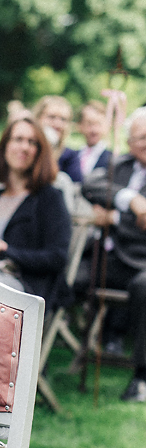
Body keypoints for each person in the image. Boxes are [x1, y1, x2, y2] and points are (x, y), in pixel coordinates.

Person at [0, 116, 71, 311]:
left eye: (32, 142)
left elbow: (57, 257)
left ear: (39, 152)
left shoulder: (49, 199)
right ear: (5, 146)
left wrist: (4, 249)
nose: (24, 147)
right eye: (18, 139)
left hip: (23, 289)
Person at [80, 106, 146, 402]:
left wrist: (116, 218)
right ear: (130, 143)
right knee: (66, 277)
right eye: (140, 138)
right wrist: (131, 201)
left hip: (142, 263)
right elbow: (91, 184)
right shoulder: (121, 165)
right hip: (110, 257)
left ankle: (141, 378)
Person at [59, 100, 112, 183]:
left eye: (98, 124)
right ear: (79, 125)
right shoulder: (72, 156)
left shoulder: (112, 158)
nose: (94, 130)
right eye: (89, 124)